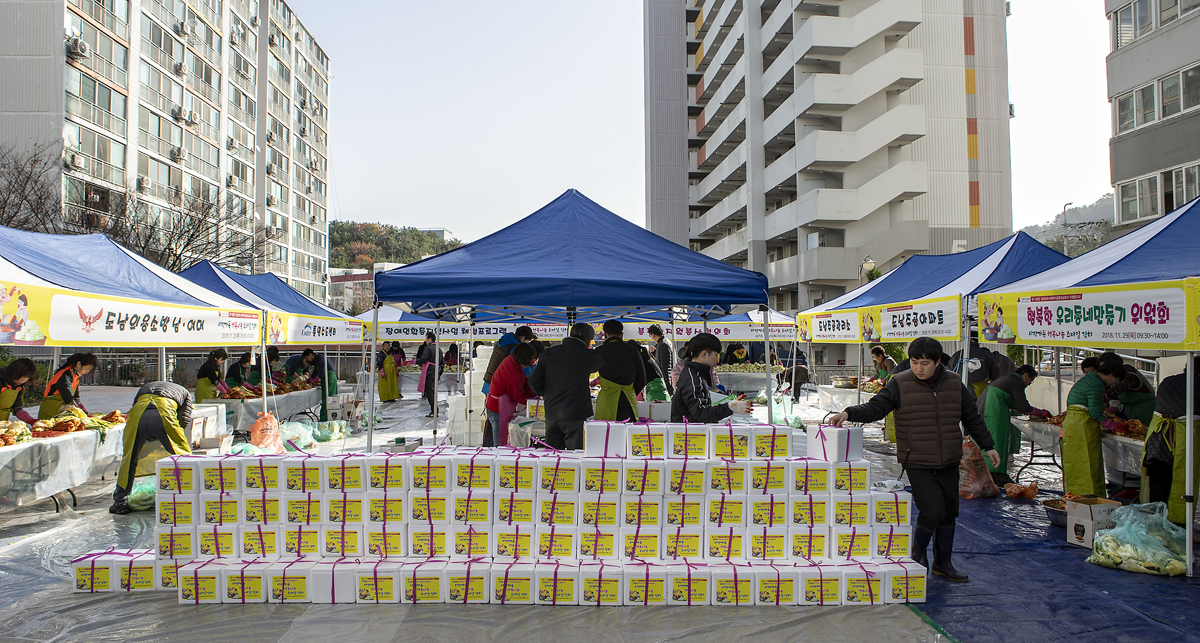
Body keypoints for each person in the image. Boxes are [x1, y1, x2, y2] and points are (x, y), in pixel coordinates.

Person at [829, 337, 1000, 583]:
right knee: (932, 511)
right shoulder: (900, 383)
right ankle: (917, 556)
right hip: (917, 459)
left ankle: (943, 564)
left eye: (925, 363)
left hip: (949, 459)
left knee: (949, 512)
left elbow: (972, 417)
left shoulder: (954, 383)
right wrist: (848, 413)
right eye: (914, 362)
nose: (919, 368)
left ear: (938, 362)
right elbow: (876, 407)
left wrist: (988, 446)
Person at [109, 381, 192, 515]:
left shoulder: (145, 388)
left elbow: (135, 406)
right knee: (184, 456)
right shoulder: (185, 393)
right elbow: (184, 419)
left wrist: (147, 436)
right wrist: (171, 436)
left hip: (137, 416)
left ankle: (120, 502)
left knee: (129, 459)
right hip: (164, 414)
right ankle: (190, 495)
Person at [1143, 357, 1200, 524]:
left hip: (1157, 436)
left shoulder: (1167, 381)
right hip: (1183, 437)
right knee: (1183, 482)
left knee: (1158, 480)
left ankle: (1155, 521)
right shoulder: (1197, 385)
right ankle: (1178, 524)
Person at [528, 323, 603, 450]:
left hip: (552, 411)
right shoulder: (588, 355)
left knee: (553, 454)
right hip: (576, 412)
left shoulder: (549, 353)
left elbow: (533, 380)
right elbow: (599, 363)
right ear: (588, 339)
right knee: (575, 455)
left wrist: (544, 393)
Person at [977, 364, 1050, 485]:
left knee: (999, 439)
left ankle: (997, 473)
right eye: (1030, 380)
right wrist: (1040, 412)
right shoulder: (1016, 382)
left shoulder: (1010, 379)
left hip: (995, 407)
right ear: (1025, 375)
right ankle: (993, 473)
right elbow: (1023, 406)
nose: (1029, 384)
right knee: (996, 439)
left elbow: (1017, 405)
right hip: (993, 408)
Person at [1062, 359, 1126, 496]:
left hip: (1074, 424)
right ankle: (1090, 497)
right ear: (1110, 375)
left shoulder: (1090, 380)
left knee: (1076, 464)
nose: (1115, 383)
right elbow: (1096, 413)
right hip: (1081, 425)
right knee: (1089, 464)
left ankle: (1075, 496)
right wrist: (1112, 426)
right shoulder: (1096, 384)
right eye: (1116, 379)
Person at [671, 332, 750, 423]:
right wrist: (729, 407)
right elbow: (700, 413)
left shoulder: (695, 373)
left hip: (693, 428)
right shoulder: (692, 378)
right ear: (704, 354)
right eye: (715, 355)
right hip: (688, 430)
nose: (717, 359)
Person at [594, 320, 646, 422]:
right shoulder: (633, 351)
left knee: (607, 430)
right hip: (628, 400)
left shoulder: (599, 351)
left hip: (607, 400)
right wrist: (629, 391)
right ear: (621, 335)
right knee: (628, 430)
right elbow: (642, 379)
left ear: (605, 334)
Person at [485, 344, 537, 446]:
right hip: (497, 409)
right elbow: (518, 396)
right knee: (500, 442)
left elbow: (524, 382)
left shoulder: (510, 360)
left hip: (494, 405)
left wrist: (533, 394)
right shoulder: (514, 375)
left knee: (502, 438)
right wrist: (532, 402)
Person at [1100, 353, 1156, 426]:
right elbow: (1115, 401)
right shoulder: (1115, 377)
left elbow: (1112, 392)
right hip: (1131, 412)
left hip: (1145, 411)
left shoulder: (1129, 375)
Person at [39, 352, 97, 419]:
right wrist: (82, 413)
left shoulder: (75, 376)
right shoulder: (65, 375)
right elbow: (68, 399)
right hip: (51, 409)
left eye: (89, 370)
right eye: (86, 369)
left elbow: (76, 397)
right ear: (78, 364)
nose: (87, 372)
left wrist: (85, 412)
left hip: (61, 408)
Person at [948, 333, 997, 398]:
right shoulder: (987, 355)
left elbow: (948, 373)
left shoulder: (958, 355)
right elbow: (995, 376)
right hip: (981, 392)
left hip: (960, 391)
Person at [0, 358, 38, 424]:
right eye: (23, 376)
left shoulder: (19, 387)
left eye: (27, 377)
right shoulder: (1, 381)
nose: (23, 380)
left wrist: (30, 420)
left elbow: (16, 408)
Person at [415, 332, 443, 418]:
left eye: (426, 338)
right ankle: (435, 410)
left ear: (430, 339)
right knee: (433, 391)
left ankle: (434, 411)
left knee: (429, 392)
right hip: (435, 371)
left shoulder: (429, 348)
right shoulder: (438, 348)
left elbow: (423, 359)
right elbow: (442, 363)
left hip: (430, 371)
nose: (426, 341)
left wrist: (414, 361)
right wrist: (439, 373)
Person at [647, 324, 674, 395]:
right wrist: (654, 352)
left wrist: (668, 385)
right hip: (667, 379)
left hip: (666, 381)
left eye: (650, 335)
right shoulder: (663, 342)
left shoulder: (663, 344)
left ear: (653, 334)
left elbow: (666, 366)